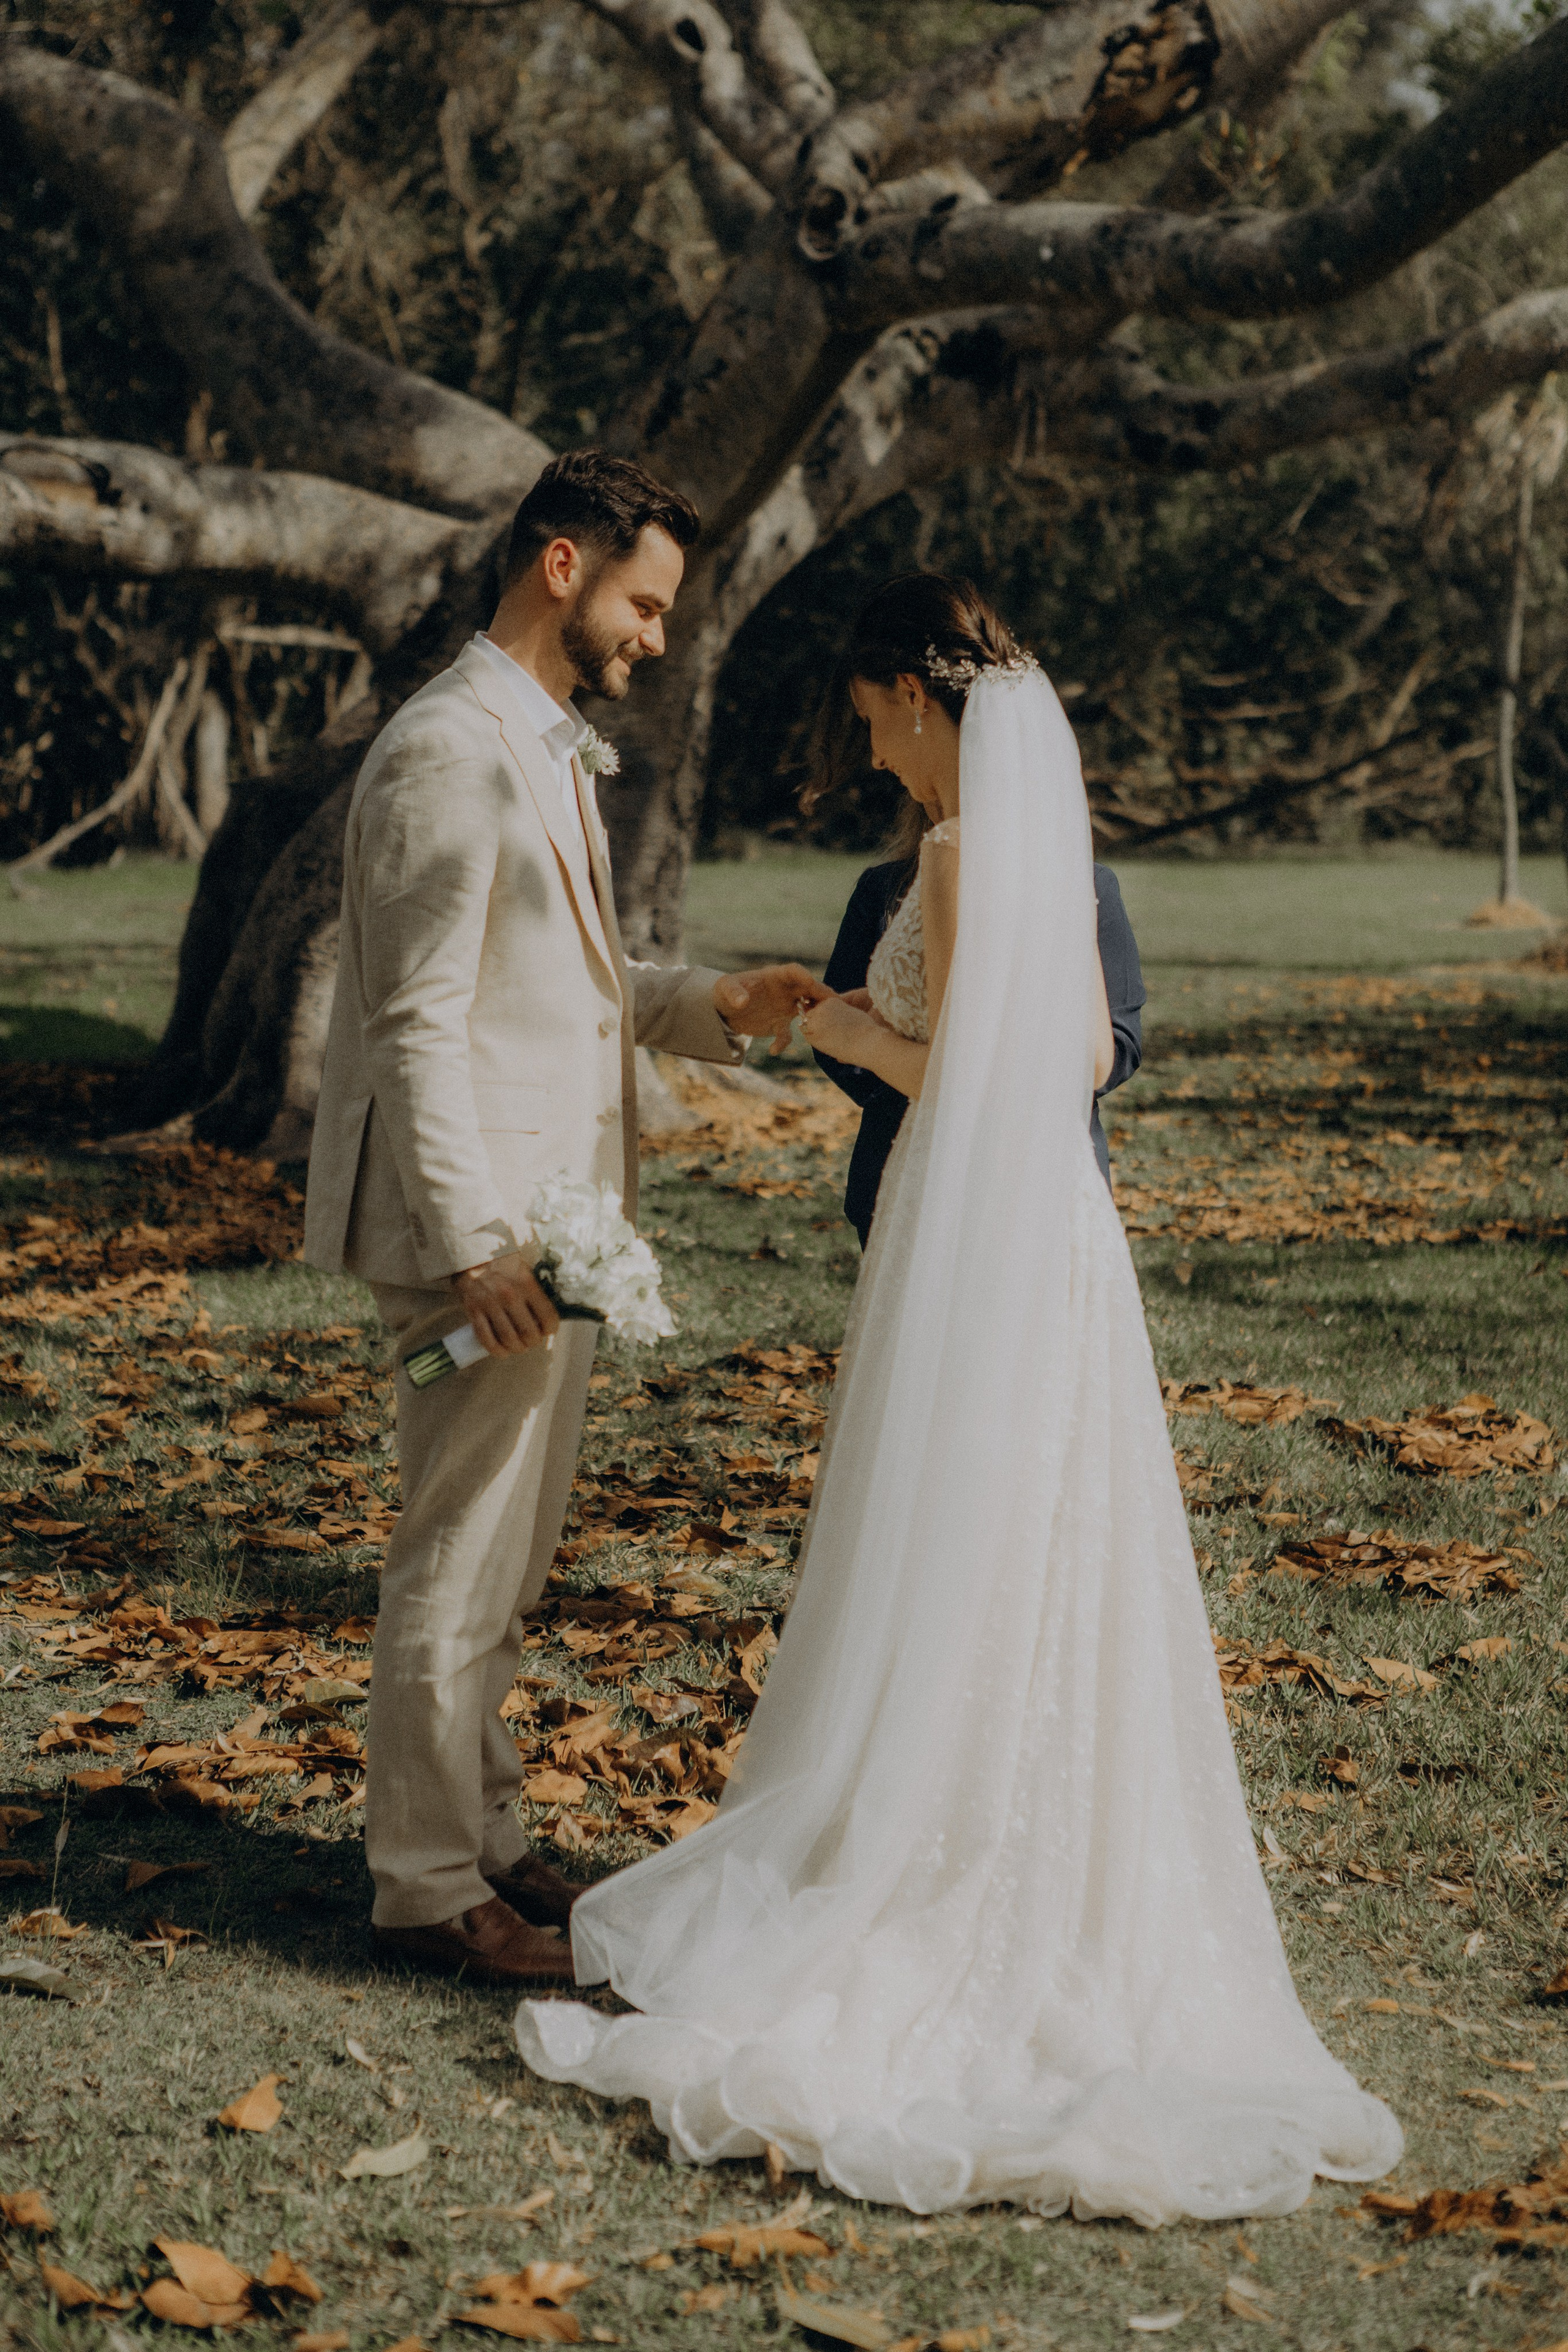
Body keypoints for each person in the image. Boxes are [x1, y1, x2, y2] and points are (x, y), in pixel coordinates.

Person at [514, 572, 1401, 2226]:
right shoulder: (1045, 847)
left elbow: (984, 1065)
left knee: (948, 1516)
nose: (878, 757)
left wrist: (850, 1023)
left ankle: (930, 1852)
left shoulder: (956, 848)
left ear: (922, 697)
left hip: (969, 1214)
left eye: (875, 724)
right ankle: (1039, 1851)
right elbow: (1073, 1061)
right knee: (1038, 1527)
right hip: (1053, 1224)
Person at [303, 450, 828, 1988]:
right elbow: (411, 1024)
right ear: (560, 568)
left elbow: (574, 988)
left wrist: (713, 1001)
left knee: (512, 1558)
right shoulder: (447, 755)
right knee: (455, 1556)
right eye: (645, 603)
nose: (655, 636)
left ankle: (490, 1830)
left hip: (553, 1229)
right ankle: (420, 1883)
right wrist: (479, 1245)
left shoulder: (545, 746)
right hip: (483, 1239)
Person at [812, 829, 1145, 1246]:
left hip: (1041, 1176)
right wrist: (903, 1078)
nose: (880, 761)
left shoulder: (1084, 885)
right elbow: (838, 1019)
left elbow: (1119, 1042)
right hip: (901, 1168)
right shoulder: (883, 887)